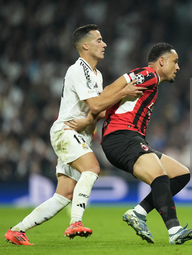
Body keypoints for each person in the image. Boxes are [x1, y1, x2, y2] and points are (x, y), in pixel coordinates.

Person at [4, 24, 144, 246]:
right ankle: (75, 222)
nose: (104, 44)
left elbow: (98, 111)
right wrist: (122, 92)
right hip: (67, 131)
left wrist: (104, 112)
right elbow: (96, 104)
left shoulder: (96, 75)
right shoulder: (78, 69)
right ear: (85, 45)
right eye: (99, 40)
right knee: (93, 168)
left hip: (79, 134)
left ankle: (17, 230)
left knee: (64, 195)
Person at [100, 42, 192, 245]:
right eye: (175, 62)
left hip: (129, 138)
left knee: (180, 174)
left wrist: (95, 115)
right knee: (159, 175)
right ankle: (175, 230)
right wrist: (92, 111)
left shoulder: (152, 83)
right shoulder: (148, 74)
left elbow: (111, 106)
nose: (178, 67)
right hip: (122, 137)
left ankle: (138, 213)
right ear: (162, 61)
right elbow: (107, 92)